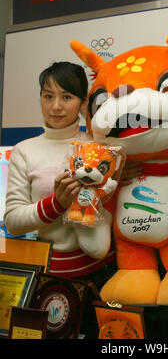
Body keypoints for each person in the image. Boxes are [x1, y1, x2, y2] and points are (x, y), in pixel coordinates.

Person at [4, 62, 116, 290]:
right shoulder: (24, 150)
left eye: (66, 97)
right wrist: (57, 204)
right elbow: (13, 221)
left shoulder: (100, 147)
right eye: (48, 96)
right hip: (48, 275)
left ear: (84, 102)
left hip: (101, 271)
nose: (56, 106)